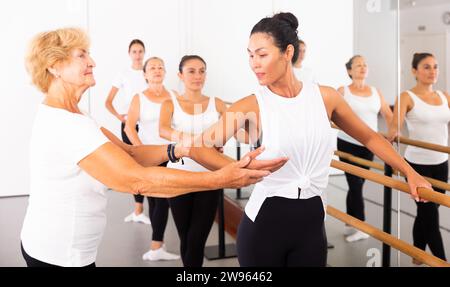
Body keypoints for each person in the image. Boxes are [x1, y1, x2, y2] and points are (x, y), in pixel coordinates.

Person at [20, 27, 286, 267]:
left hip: (70, 251)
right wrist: (219, 178)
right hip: (57, 255)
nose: (92, 62)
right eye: (82, 55)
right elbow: (135, 180)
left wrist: (179, 150)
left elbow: (132, 153)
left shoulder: (77, 117)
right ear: (54, 66)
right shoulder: (67, 125)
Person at [186, 12, 432, 267]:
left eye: (262, 54)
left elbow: (369, 136)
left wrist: (409, 172)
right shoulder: (253, 104)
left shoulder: (325, 98)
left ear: (287, 52)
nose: (254, 63)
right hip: (263, 228)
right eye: (250, 55)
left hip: (312, 228)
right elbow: (199, 148)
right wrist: (234, 172)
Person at [159, 55, 228, 267]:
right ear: (180, 75)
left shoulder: (216, 103)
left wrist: (220, 140)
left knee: (197, 238)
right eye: (191, 71)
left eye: (202, 71)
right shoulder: (170, 103)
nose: (197, 76)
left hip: (210, 175)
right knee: (186, 236)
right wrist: (195, 141)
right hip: (178, 176)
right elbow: (163, 129)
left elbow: (232, 128)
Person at [388, 53, 450, 264]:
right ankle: (441, 261)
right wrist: (393, 133)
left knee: (428, 211)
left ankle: (417, 253)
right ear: (414, 71)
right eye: (426, 67)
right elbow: (394, 125)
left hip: (442, 163)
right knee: (430, 216)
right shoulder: (407, 96)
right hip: (417, 166)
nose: (432, 71)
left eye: (435, 66)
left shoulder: (445, 96)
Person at [124, 57, 179, 261]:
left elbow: (179, 124)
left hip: (170, 154)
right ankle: (157, 247)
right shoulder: (139, 97)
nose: (157, 70)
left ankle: (157, 246)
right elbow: (129, 127)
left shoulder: (174, 95)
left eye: (160, 67)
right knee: (157, 201)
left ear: (165, 72)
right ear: (145, 74)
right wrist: (141, 150)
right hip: (148, 155)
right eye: (152, 68)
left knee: (161, 200)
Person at [337, 55, 393, 243]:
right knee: (355, 183)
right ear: (349, 70)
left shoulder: (376, 92)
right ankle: (361, 226)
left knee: (358, 184)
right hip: (347, 143)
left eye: (365, 65)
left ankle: (349, 221)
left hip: (369, 145)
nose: (362, 67)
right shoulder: (343, 91)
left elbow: (387, 113)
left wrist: (392, 133)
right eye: (358, 65)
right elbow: (331, 113)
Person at [105, 39, 150, 224]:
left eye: (140, 51)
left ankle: (150, 206)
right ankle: (138, 210)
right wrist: (120, 117)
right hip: (129, 125)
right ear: (129, 54)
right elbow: (108, 102)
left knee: (148, 162)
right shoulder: (123, 74)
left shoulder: (149, 72)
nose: (138, 55)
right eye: (134, 51)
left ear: (144, 52)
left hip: (147, 124)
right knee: (134, 164)